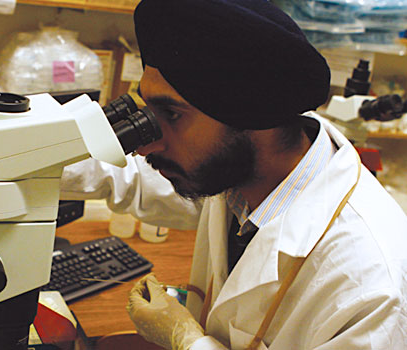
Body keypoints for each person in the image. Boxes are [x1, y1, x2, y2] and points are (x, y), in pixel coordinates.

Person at [60, 0, 407, 349]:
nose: (146, 146)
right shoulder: (250, 174)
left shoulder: (371, 288)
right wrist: (31, 156)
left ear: (252, 117)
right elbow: (134, 179)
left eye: (172, 114)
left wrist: (190, 342)